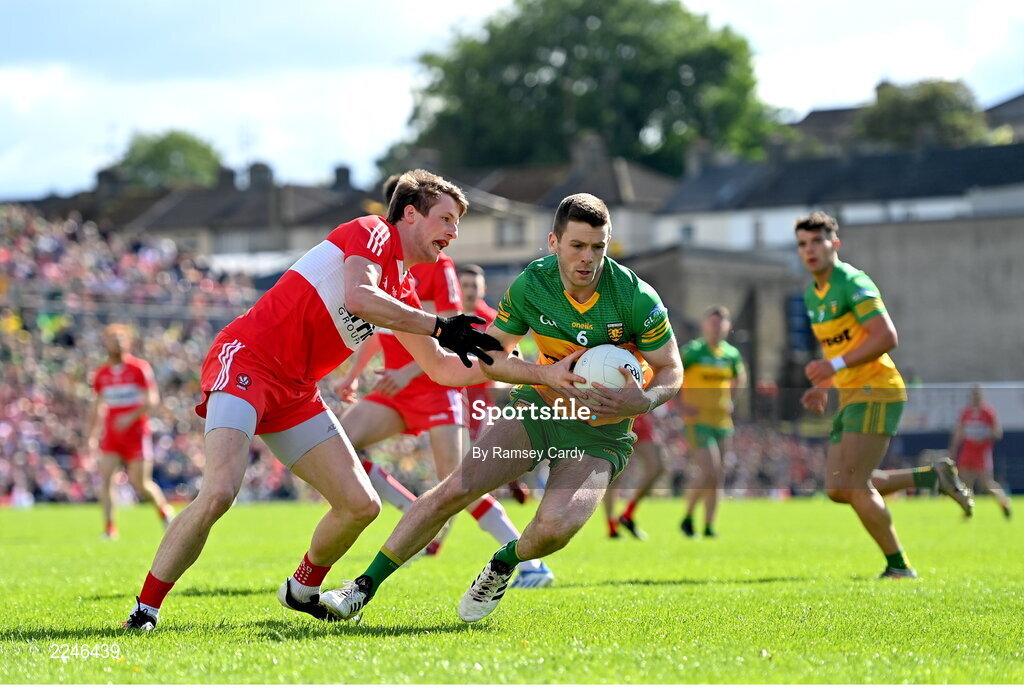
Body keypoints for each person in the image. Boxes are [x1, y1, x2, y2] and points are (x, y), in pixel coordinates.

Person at [122, 170, 501, 630]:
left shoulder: (402, 289)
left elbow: (441, 368)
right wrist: (440, 325)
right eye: (446, 219)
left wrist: (533, 373)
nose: (454, 234)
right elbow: (360, 299)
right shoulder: (372, 231)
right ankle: (145, 609)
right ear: (409, 215)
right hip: (248, 361)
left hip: (296, 391)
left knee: (361, 505)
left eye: (457, 223)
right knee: (220, 492)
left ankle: (301, 589)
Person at [319, 192, 684, 623]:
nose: (589, 259)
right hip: (539, 410)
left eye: (598, 247)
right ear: (554, 243)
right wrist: (541, 375)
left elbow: (671, 369)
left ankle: (504, 562)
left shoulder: (636, 297)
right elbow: (493, 356)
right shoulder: (533, 284)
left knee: (554, 529)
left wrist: (645, 398)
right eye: (578, 246)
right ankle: (361, 588)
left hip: (601, 432)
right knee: (456, 489)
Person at [334, 253, 554, 587]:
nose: (449, 230)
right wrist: (354, 375)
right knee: (339, 447)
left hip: (438, 386)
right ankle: (412, 509)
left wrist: (409, 371)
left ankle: (531, 564)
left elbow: (450, 335)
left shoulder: (440, 265)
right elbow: (380, 330)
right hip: (395, 388)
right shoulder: (378, 262)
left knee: (461, 483)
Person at [796, 211, 973, 579]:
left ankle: (899, 567)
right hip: (851, 393)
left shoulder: (852, 282)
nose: (809, 250)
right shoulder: (812, 296)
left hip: (876, 389)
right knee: (836, 487)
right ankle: (932, 478)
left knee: (853, 484)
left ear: (835, 244)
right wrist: (824, 384)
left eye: (817, 242)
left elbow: (885, 337)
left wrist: (833, 367)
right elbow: (837, 347)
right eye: (802, 244)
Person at [85, 324, 174, 539]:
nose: (116, 342)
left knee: (141, 484)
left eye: (120, 338)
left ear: (127, 342)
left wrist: (130, 416)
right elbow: (96, 406)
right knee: (106, 479)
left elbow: (152, 400)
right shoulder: (102, 373)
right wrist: (91, 436)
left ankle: (165, 512)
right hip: (112, 436)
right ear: (105, 343)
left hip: (136, 434)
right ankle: (109, 528)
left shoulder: (139, 368)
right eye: (112, 338)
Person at [459, 262, 532, 505]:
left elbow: (517, 357)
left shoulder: (493, 320)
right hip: (452, 400)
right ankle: (507, 478)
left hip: (482, 403)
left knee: (463, 475)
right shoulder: (447, 318)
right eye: (464, 285)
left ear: (483, 289)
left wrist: (500, 385)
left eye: (473, 286)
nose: (469, 290)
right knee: (458, 473)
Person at [677, 306, 745, 538]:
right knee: (710, 469)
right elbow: (673, 376)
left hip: (722, 421)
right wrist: (680, 405)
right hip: (697, 420)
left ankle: (708, 526)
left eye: (720, 324)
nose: (716, 328)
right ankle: (687, 516)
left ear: (727, 327)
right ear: (705, 325)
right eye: (712, 323)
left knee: (718, 475)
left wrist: (732, 400)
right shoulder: (693, 352)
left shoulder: (731, 354)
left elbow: (740, 377)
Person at [950, 385, 1012, 519]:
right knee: (966, 484)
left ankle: (1004, 503)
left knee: (986, 484)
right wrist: (953, 449)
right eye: (973, 395)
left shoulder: (988, 413)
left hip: (982, 453)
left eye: (977, 395)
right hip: (967, 452)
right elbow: (959, 432)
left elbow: (997, 433)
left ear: (981, 396)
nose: (975, 398)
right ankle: (967, 511)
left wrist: (984, 437)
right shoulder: (966, 413)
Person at [604, 412, 664, 539]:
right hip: (616, 413)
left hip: (639, 413)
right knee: (615, 473)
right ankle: (612, 528)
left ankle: (627, 515)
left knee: (657, 467)